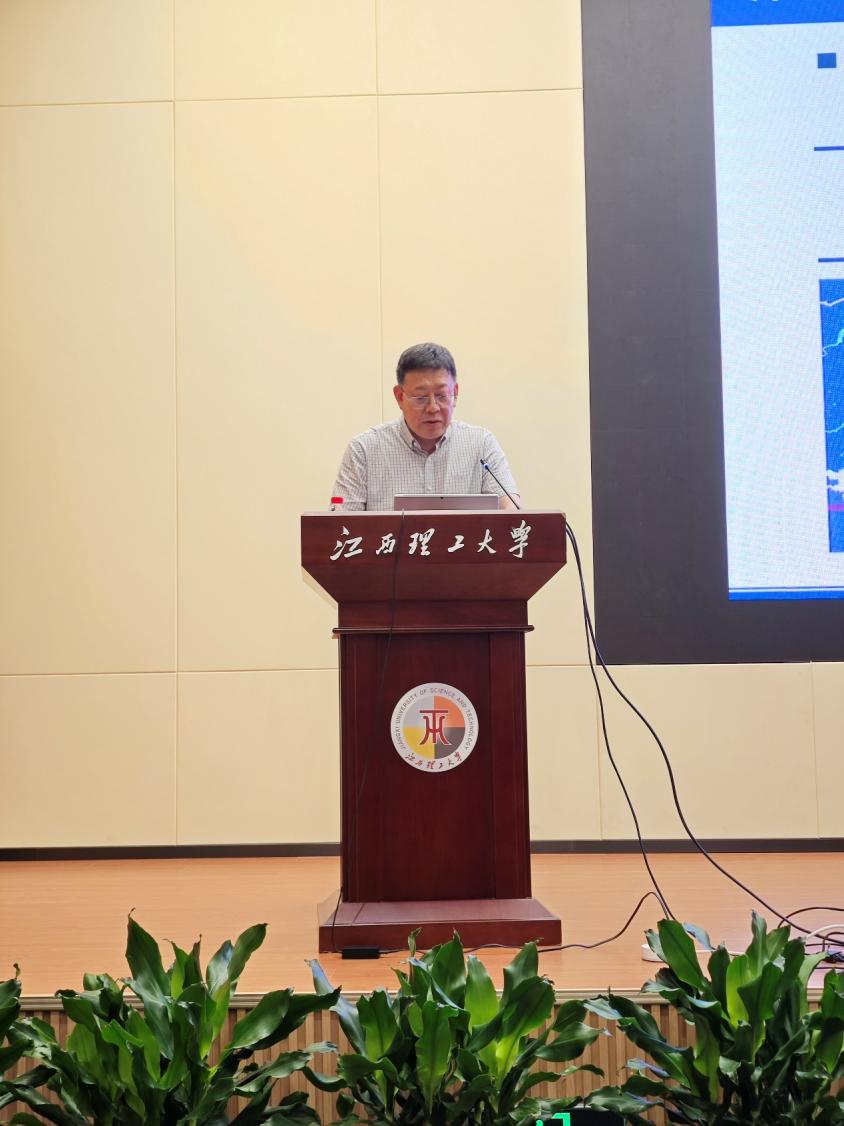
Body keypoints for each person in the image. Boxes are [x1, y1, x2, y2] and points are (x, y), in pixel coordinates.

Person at [331, 343, 520, 511]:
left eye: (442, 395)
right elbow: (340, 526)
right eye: (420, 398)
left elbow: (512, 511)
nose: (433, 408)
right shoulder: (363, 450)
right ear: (400, 397)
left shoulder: (482, 444)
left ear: (455, 393)